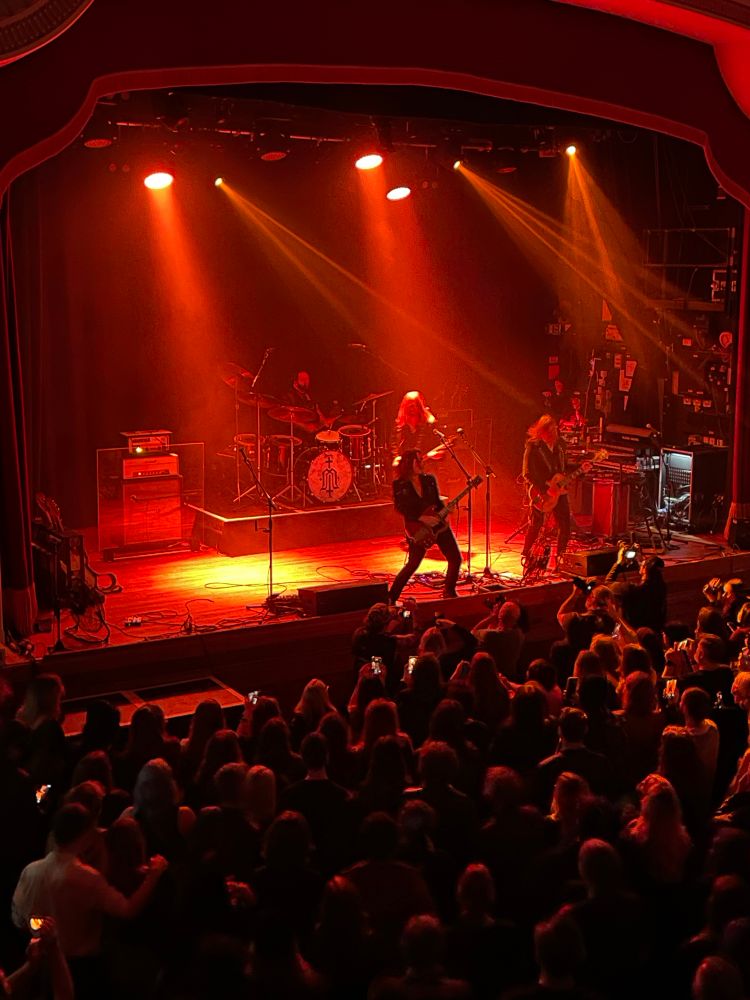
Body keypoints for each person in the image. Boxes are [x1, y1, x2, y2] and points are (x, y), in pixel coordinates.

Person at [389, 449, 462, 602]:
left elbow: (436, 501)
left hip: (438, 525)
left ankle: (449, 591)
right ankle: (391, 597)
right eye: (418, 460)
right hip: (418, 528)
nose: (422, 463)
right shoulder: (400, 484)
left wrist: (445, 512)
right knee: (413, 564)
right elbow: (400, 507)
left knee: (455, 558)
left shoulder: (429, 480)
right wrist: (421, 518)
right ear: (409, 463)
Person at [522, 414, 570, 567]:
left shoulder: (560, 445)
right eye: (548, 432)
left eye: (554, 431)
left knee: (565, 524)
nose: (552, 435)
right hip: (540, 492)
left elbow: (564, 468)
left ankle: (561, 557)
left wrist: (583, 468)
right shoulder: (533, 446)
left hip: (559, 490)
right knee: (536, 524)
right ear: (541, 432)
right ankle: (527, 553)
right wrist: (544, 487)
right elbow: (527, 473)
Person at [393, 390, 437, 457]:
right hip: (406, 464)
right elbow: (394, 444)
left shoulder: (428, 424)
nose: (411, 409)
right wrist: (395, 457)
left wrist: (435, 454)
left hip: (426, 464)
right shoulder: (400, 425)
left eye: (414, 406)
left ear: (419, 406)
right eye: (409, 406)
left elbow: (435, 444)